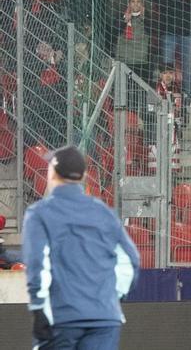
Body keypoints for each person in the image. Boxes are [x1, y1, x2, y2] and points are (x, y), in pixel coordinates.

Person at [23, 146, 140, 349]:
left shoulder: (39, 213)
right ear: (83, 176)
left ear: (52, 173)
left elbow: (37, 264)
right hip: (104, 318)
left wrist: (39, 307)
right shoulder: (103, 212)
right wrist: (112, 297)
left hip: (61, 317)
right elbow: (130, 261)